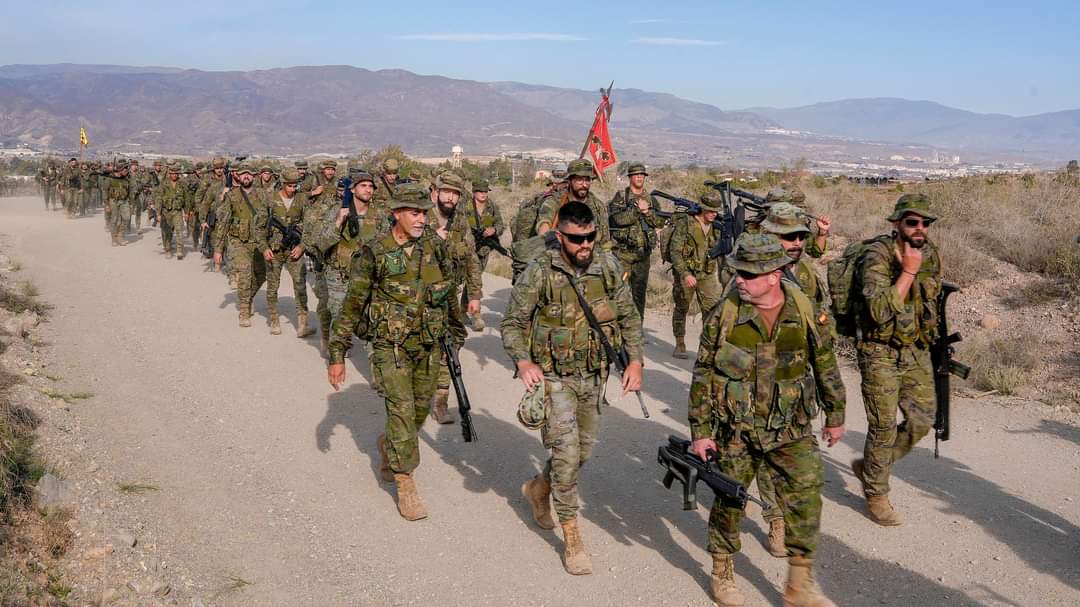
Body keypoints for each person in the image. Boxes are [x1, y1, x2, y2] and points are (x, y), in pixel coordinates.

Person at [688, 233, 845, 607]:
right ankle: (722, 569)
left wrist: (835, 414)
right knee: (730, 502)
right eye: (737, 272)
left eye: (749, 274)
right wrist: (701, 432)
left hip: (790, 428)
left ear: (775, 275)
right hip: (737, 431)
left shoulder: (804, 310)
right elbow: (703, 373)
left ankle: (799, 583)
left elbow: (825, 363)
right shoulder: (726, 314)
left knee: (807, 498)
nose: (739, 280)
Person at [501, 200, 643, 576]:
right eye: (578, 239)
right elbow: (513, 323)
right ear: (559, 236)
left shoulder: (607, 266)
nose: (585, 245)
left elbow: (628, 315)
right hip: (555, 378)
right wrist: (524, 360)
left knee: (582, 454)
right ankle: (572, 537)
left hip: (594, 377)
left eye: (591, 237)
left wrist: (636, 361)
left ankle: (538, 488)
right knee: (566, 457)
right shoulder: (539, 272)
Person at [327, 182, 466, 521]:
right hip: (391, 348)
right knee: (402, 412)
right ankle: (406, 485)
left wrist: (455, 338)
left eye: (424, 212)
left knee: (419, 412)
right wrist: (337, 354)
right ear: (396, 214)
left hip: (429, 344)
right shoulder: (374, 252)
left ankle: (390, 445)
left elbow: (447, 292)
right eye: (415, 213)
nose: (422, 219)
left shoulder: (433, 246)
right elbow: (353, 304)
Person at [851, 194, 943, 526]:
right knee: (883, 425)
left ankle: (873, 466)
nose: (920, 229)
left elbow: (932, 302)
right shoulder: (876, 256)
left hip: (915, 348)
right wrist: (907, 273)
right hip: (880, 351)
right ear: (896, 224)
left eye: (925, 223)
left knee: (922, 419)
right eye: (912, 222)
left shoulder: (929, 253)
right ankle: (876, 493)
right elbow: (877, 311)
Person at [426, 172, 482, 424]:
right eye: (447, 191)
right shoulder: (420, 216)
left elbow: (471, 259)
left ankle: (440, 400)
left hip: (451, 293)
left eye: (456, 193)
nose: (451, 197)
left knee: (450, 345)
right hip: (419, 295)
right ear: (436, 192)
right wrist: (431, 239)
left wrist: (475, 294)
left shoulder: (460, 221)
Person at [213, 164, 271, 327]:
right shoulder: (232, 196)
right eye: (243, 174)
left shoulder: (262, 195)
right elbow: (223, 222)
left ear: (254, 176)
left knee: (261, 275)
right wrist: (218, 249)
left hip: (259, 242)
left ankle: (249, 296)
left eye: (249, 174)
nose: (246, 176)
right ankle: (244, 311)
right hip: (239, 242)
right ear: (238, 176)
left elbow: (273, 214)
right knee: (245, 276)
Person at [669, 191, 725, 359]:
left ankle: (707, 347)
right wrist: (685, 274)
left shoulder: (717, 226)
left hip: (707, 274)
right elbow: (675, 251)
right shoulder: (686, 223)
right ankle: (680, 342)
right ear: (702, 209)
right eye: (710, 211)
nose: (714, 214)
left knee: (712, 310)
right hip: (687, 273)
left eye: (716, 211)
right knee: (682, 308)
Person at [607, 162, 666, 319]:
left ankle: (637, 329)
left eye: (642, 175)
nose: (639, 177)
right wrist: (637, 211)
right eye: (636, 175)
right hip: (623, 255)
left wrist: (647, 212)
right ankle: (619, 330)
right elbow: (617, 220)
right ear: (630, 178)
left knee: (639, 295)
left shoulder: (652, 200)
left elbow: (660, 222)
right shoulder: (621, 197)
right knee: (620, 293)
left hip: (642, 256)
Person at [264, 169, 309, 336]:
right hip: (274, 250)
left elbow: (309, 225)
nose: (293, 188)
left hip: (294, 250)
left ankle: (303, 324)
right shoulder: (270, 198)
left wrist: (302, 246)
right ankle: (274, 320)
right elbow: (259, 226)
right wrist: (264, 248)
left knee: (300, 285)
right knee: (272, 286)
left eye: (295, 185)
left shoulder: (302, 199)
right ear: (283, 183)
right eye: (289, 185)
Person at [533, 158, 611, 250]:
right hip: (561, 257)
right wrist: (547, 238)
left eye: (587, 180)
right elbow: (544, 223)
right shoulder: (556, 201)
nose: (584, 185)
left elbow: (605, 242)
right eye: (579, 180)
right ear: (569, 180)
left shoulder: (598, 205)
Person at [461, 178, 505, 330]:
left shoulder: (492, 206)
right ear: (474, 192)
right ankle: (471, 313)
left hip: (484, 249)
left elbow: (500, 224)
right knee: (470, 279)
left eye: (485, 192)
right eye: (480, 192)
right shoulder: (465, 206)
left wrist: (494, 230)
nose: (483, 194)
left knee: (474, 279)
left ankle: (467, 311)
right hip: (466, 249)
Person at [157, 163, 194, 259]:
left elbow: (187, 199)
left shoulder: (182, 184)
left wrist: (186, 212)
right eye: (172, 173)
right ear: (169, 173)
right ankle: (168, 249)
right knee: (167, 231)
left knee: (179, 231)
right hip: (166, 212)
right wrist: (158, 213)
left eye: (176, 173)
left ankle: (179, 250)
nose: (174, 175)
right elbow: (159, 198)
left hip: (177, 211)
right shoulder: (164, 183)